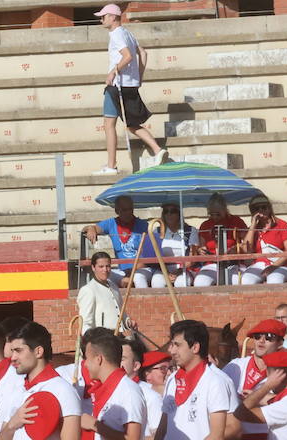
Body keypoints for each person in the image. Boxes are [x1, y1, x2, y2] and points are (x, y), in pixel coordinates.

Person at [95, 3, 165, 176]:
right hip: (130, 84)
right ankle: (157, 150)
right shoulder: (128, 33)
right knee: (131, 123)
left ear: (112, 17)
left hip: (118, 85)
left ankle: (111, 165)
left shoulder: (117, 34)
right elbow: (144, 53)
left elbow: (128, 56)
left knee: (109, 124)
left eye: (103, 17)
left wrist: (113, 71)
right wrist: (138, 77)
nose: (102, 20)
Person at [82, 195, 150, 287]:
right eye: (124, 210)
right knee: (102, 277)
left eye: (130, 209)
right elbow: (90, 228)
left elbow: (146, 257)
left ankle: (143, 301)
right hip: (122, 271)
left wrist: (130, 275)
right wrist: (90, 228)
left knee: (138, 278)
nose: (128, 212)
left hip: (141, 270)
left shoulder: (143, 225)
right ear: (117, 211)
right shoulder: (111, 223)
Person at [139, 202, 200, 288]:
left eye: (173, 211)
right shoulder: (157, 231)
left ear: (179, 214)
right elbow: (152, 254)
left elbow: (192, 256)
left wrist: (179, 271)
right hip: (162, 268)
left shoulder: (190, 231)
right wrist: (166, 272)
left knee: (181, 283)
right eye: (166, 211)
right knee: (157, 282)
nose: (169, 214)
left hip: (184, 268)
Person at [194, 193, 249, 287]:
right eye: (212, 214)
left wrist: (237, 248)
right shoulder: (205, 225)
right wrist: (200, 250)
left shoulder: (236, 221)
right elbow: (201, 246)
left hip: (233, 263)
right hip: (212, 263)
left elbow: (246, 243)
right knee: (200, 282)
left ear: (225, 210)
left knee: (237, 282)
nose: (215, 217)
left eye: (218, 214)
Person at [240, 195, 287, 285]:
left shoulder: (282, 225)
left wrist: (273, 266)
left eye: (264, 207)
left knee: (274, 279)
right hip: (260, 264)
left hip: (280, 264)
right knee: (246, 280)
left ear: (269, 208)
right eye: (256, 209)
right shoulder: (252, 230)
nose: (261, 210)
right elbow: (246, 250)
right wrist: (253, 225)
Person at [77, 251, 124, 333]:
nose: (105, 270)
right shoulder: (88, 290)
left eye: (108, 266)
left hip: (119, 337)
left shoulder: (114, 286)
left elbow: (121, 313)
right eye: (101, 267)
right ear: (93, 267)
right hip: (102, 340)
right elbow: (85, 323)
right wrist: (94, 341)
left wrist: (128, 322)